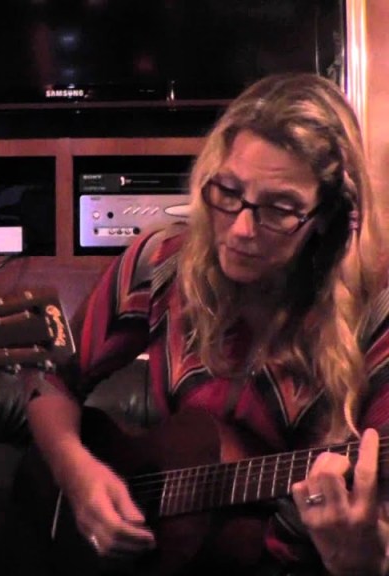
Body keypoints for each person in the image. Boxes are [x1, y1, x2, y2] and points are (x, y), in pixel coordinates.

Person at [24, 73, 389, 575]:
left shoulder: (378, 312)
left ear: (327, 216)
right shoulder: (159, 263)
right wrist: (77, 473)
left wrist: (359, 560)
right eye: (228, 191)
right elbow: (49, 380)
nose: (240, 229)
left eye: (280, 209)